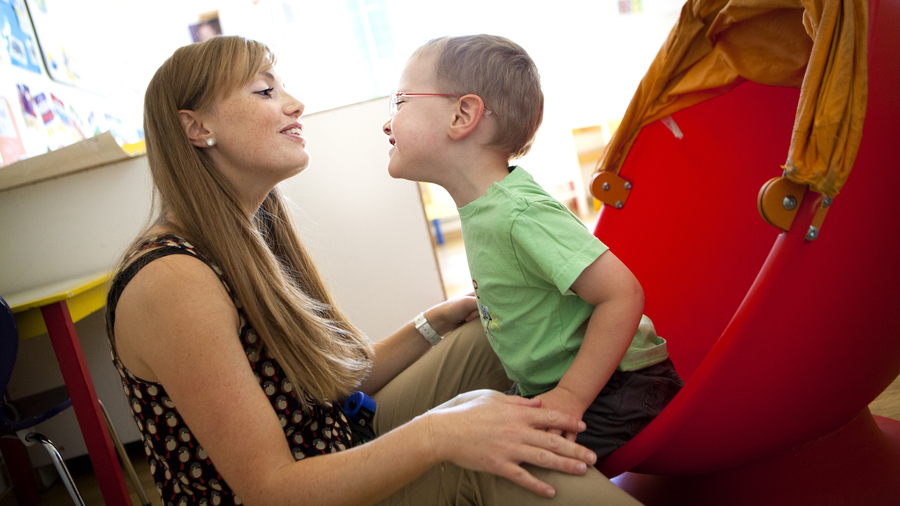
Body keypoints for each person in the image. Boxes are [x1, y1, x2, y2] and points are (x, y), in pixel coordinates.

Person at [105, 35, 643, 506]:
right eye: (265, 92)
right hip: (303, 486)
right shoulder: (171, 280)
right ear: (196, 127)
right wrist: (442, 434)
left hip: (338, 434)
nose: (295, 104)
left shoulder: (250, 231)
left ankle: (621, 419)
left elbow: (320, 385)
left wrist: (432, 323)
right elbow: (271, 490)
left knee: (497, 331)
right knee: (503, 458)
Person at [381, 34, 684, 460]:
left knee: (501, 464)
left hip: (622, 389)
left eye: (400, 102)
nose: (387, 122)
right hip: (570, 386)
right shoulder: (486, 208)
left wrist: (570, 396)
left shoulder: (517, 212)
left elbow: (622, 294)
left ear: (463, 114)